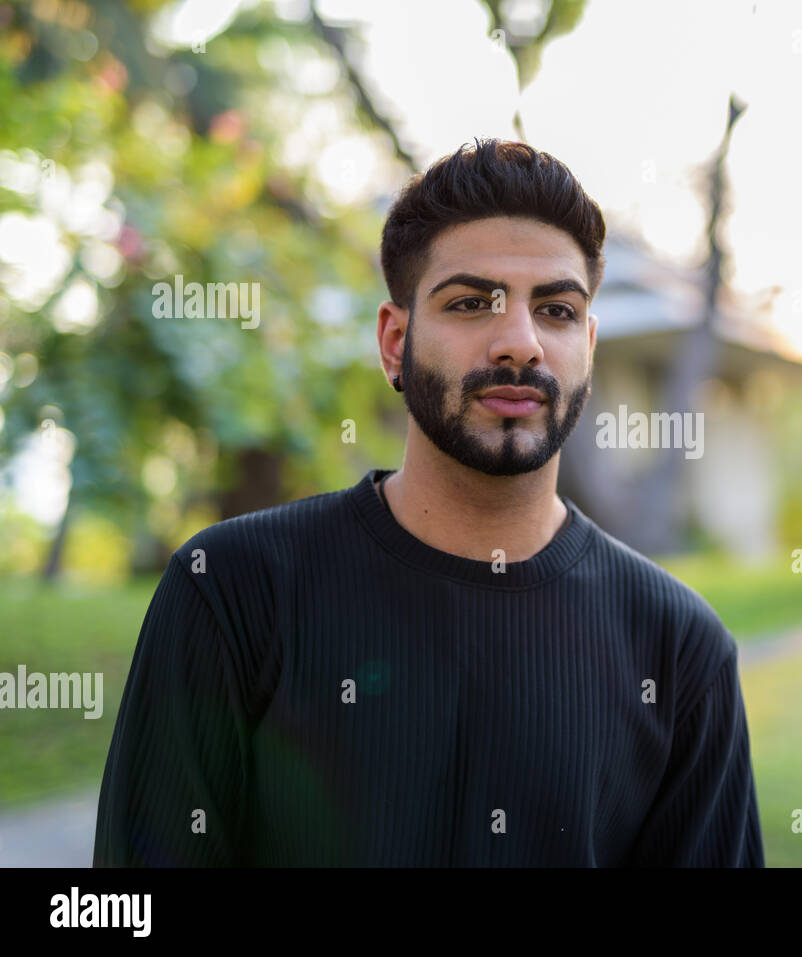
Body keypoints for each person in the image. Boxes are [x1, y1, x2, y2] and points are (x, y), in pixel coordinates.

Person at [93, 138, 764, 867]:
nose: (520, 343)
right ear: (394, 341)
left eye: (558, 310)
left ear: (589, 347)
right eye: (472, 302)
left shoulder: (681, 649)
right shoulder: (231, 590)